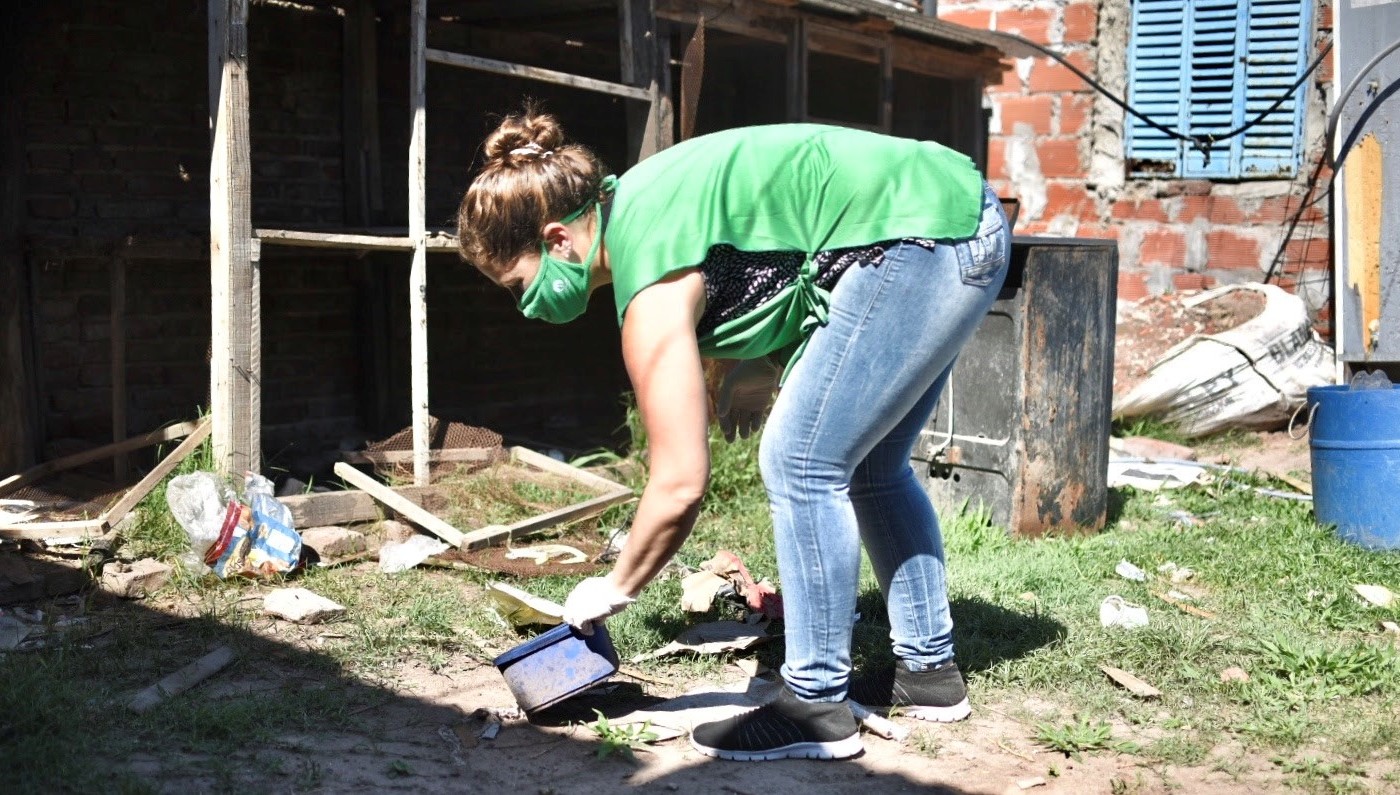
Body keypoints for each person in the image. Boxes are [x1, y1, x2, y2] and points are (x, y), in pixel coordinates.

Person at [456, 105, 1011, 762]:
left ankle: (815, 703)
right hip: (956, 218)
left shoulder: (651, 271)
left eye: (518, 285)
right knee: (868, 466)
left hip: (922, 238)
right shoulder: (638, 206)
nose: (524, 306)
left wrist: (613, 585)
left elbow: (681, 481)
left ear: (556, 241)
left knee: (800, 460)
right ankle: (929, 676)